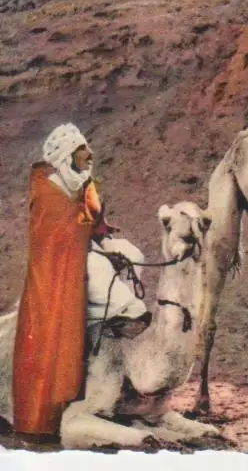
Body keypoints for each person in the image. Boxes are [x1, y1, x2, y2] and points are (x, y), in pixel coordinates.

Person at [12, 123, 148, 443]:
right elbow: (52, 237)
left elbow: (95, 221)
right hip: (58, 267)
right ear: (66, 154)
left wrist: (106, 240)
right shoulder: (47, 190)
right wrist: (90, 241)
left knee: (132, 254)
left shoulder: (84, 183)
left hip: (85, 249)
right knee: (98, 267)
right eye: (82, 149)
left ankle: (112, 325)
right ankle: (120, 312)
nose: (90, 153)